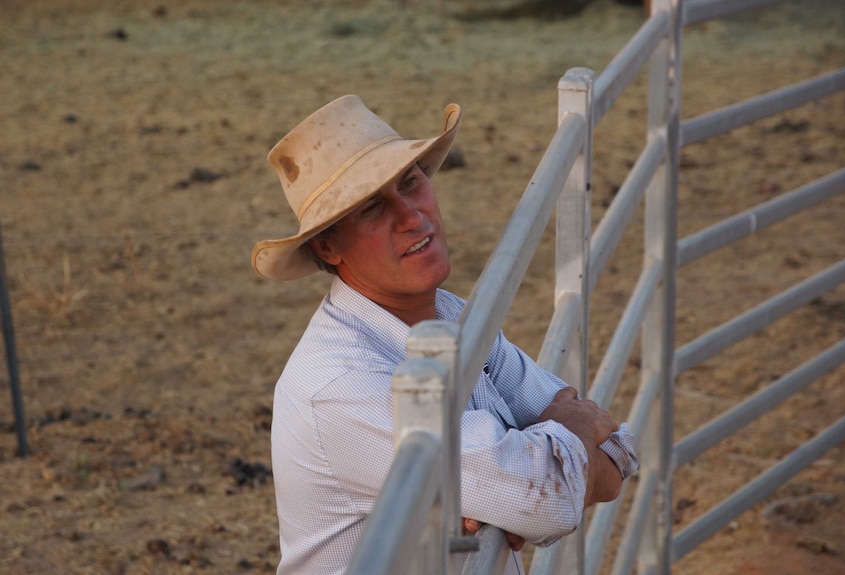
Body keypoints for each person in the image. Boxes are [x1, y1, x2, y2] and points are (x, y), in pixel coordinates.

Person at [252, 95, 638, 575]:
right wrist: (552, 456)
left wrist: (527, 483)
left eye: (411, 182)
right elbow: (551, 493)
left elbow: (619, 450)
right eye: (372, 207)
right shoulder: (337, 386)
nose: (412, 216)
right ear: (328, 245)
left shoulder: (450, 314)